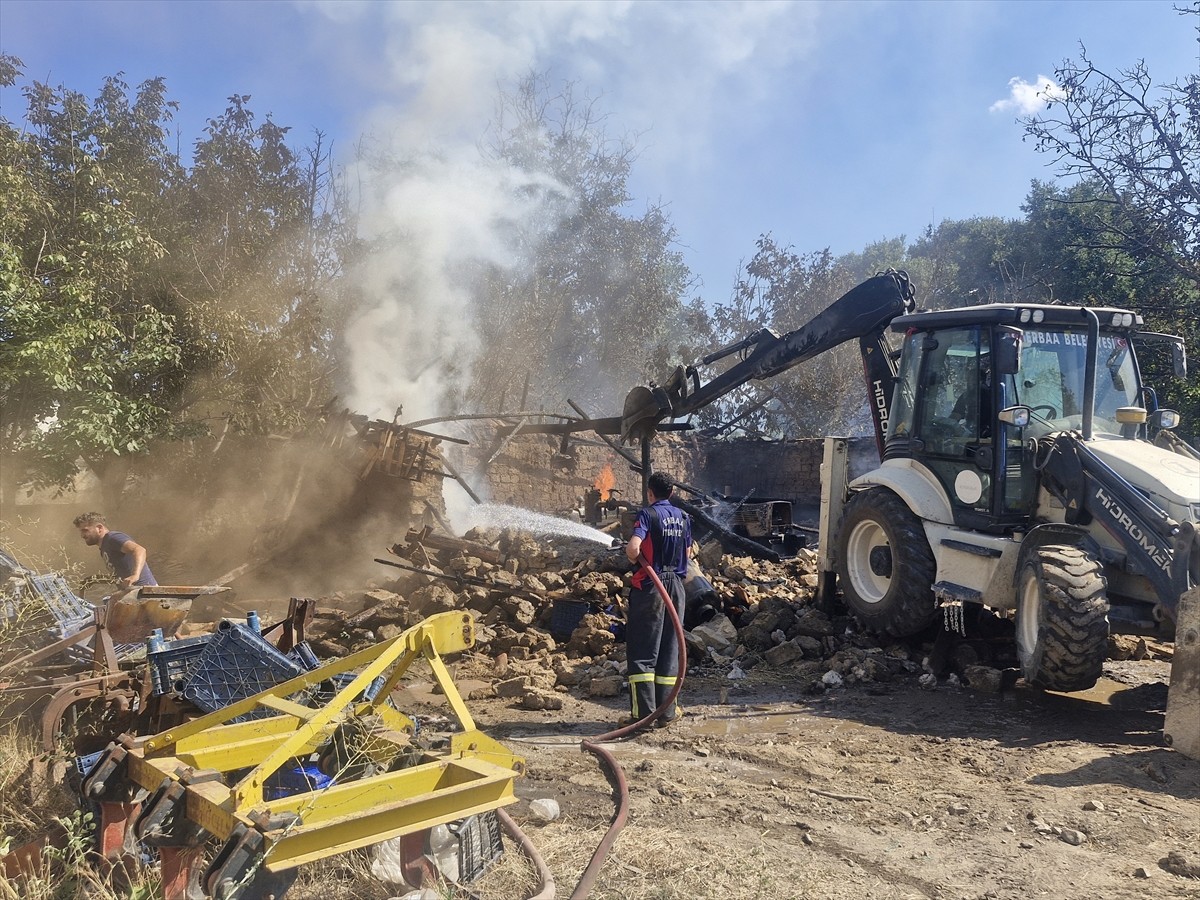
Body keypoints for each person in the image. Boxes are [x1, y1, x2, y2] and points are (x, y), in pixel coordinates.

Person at [623, 471, 691, 728]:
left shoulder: (647, 515)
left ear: (650, 493)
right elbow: (687, 551)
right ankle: (666, 713)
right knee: (669, 650)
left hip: (652, 586)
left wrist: (632, 557)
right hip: (676, 588)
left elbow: (633, 549)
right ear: (672, 493)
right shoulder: (684, 517)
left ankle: (643, 716)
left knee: (643, 651)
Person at [73, 512, 158, 588]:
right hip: (132, 593)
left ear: (99, 528)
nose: (82, 535)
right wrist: (92, 580)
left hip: (144, 592)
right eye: (81, 531)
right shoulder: (104, 547)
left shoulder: (113, 538)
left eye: (85, 530)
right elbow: (118, 576)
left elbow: (140, 550)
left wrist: (135, 575)